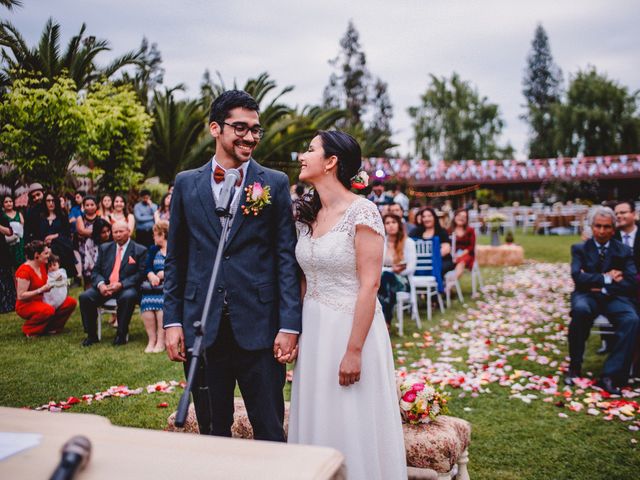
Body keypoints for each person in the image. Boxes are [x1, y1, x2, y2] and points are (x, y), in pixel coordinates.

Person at [163, 90, 301, 441]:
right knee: (212, 430)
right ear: (215, 128)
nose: (250, 136)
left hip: (259, 326)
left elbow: (285, 257)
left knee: (269, 427)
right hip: (202, 327)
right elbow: (176, 257)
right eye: (240, 127)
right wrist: (173, 321)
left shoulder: (274, 183)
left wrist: (288, 324)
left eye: (256, 129)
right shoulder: (185, 184)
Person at [289, 130, 407, 479]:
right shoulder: (307, 215)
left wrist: (354, 350)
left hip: (350, 329)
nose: (302, 156)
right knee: (317, 413)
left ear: (331, 162)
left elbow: (370, 284)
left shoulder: (364, 212)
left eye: (310, 150)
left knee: (349, 417)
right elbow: (304, 280)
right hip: (313, 330)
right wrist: (293, 332)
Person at [565, 207, 639, 395]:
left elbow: (630, 282)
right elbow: (577, 278)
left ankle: (610, 375)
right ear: (592, 227)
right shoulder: (580, 249)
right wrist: (607, 278)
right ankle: (574, 367)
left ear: (613, 229)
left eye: (607, 227)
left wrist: (599, 284)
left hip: (615, 297)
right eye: (598, 226)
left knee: (632, 320)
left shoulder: (623, 251)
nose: (602, 230)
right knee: (580, 311)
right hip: (586, 296)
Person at [79, 220, 147, 346]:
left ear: (128, 232)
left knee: (128, 296)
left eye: (121, 231)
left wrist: (121, 284)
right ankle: (91, 335)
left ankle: (121, 334)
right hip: (106, 286)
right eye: (115, 232)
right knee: (85, 297)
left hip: (125, 287)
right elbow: (96, 271)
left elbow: (140, 274)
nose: (118, 234)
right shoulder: (105, 248)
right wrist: (101, 285)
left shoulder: (140, 250)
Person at [15, 240, 77, 336]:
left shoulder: (43, 265)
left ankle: (52, 327)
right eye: (46, 253)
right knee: (48, 310)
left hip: (43, 299)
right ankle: (30, 330)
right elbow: (21, 296)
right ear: (37, 255)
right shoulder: (24, 271)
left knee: (70, 302)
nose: (49, 255)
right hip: (26, 304)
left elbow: (55, 269)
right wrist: (41, 290)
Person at [378, 213, 416, 326]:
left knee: (386, 278)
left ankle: (385, 321)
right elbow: (376, 266)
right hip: (383, 278)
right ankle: (386, 320)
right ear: (383, 226)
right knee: (386, 279)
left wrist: (395, 271)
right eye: (387, 223)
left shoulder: (408, 243)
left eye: (393, 222)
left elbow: (411, 268)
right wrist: (391, 270)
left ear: (399, 225)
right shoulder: (380, 242)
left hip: (403, 279)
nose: (391, 225)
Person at [31, 191, 76, 280]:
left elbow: (67, 234)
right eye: (48, 201)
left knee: (60, 281)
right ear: (45, 202)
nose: (51, 203)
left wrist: (55, 236)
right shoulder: (40, 217)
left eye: (53, 200)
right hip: (44, 252)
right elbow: (36, 234)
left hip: (60, 251)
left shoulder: (62, 216)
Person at [140, 221, 168, 353]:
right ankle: (152, 339)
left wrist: (165, 273)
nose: (154, 237)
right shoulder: (153, 249)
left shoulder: (174, 249)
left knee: (161, 305)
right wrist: (151, 275)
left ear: (163, 235)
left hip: (168, 287)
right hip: (154, 286)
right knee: (146, 303)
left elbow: (179, 268)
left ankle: (161, 341)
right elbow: (147, 267)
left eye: (155, 235)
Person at [411, 206, 454, 288]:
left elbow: (446, 249)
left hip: (442, 260)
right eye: (424, 216)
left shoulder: (441, 232)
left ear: (434, 217)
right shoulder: (416, 232)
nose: (427, 219)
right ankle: (421, 291)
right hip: (421, 262)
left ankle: (435, 294)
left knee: (435, 268)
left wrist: (430, 257)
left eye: (429, 216)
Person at [76, 195, 100, 289]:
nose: (89, 207)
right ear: (83, 206)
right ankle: (87, 293)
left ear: (96, 205)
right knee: (86, 272)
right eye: (87, 205)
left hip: (97, 248)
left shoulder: (100, 218)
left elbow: (104, 231)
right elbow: (81, 231)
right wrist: (97, 232)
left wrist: (91, 233)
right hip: (84, 249)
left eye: (92, 204)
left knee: (97, 270)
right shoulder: (80, 218)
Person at [449, 208, 476, 284]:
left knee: (461, 262)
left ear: (467, 219)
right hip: (452, 254)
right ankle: (448, 287)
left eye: (464, 217)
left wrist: (460, 255)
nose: (461, 218)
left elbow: (471, 246)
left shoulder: (470, 230)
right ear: (455, 217)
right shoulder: (449, 230)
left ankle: (450, 285)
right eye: (459, 215)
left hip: (466, 254)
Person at [2, 194, 25, 266]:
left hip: (19, 244)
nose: (9, 203)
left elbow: (22, 227)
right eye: (6, 202)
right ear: (3, 204)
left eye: (10, 201)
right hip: (8, 245)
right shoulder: (2, 216)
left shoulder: (19, 214)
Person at [0, 212, 16, 313]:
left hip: (2, 253)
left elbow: (9, 232)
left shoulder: (1, 216)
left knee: (5, 279)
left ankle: (8, 305)